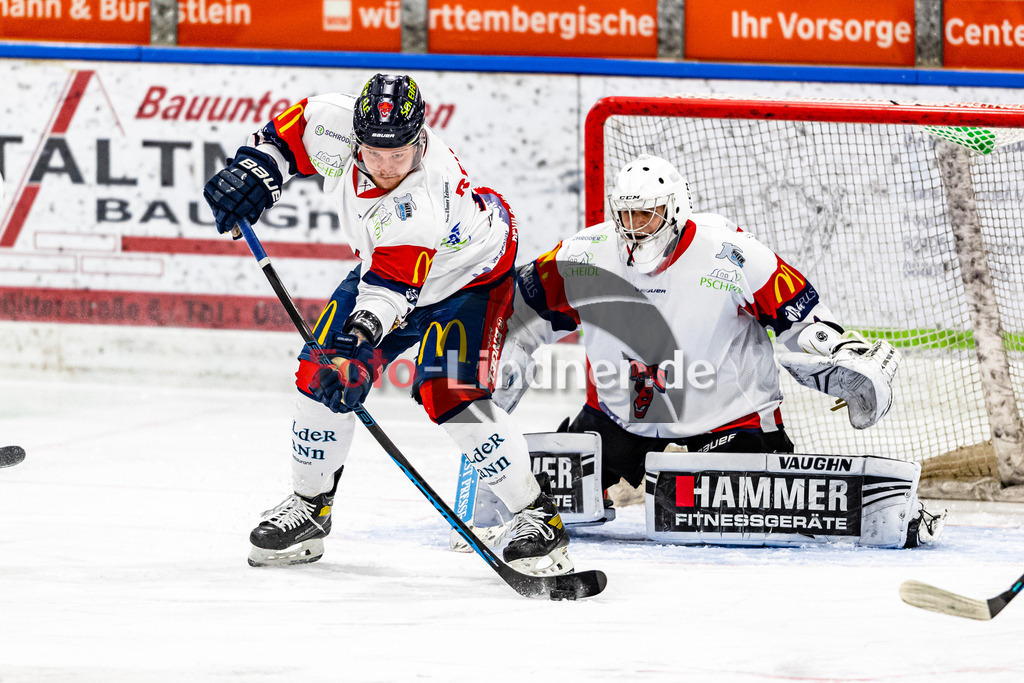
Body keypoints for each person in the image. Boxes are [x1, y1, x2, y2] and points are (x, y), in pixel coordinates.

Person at [202, 74, 573, 575]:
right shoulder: (333, 120)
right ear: (355, 135)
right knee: (318, 376)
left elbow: (389, 293)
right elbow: (283, 140)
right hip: (386, 270)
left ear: (421, 138)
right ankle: (310, 508)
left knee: (449, 392)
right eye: (374, 153)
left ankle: (537, 516)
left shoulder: (422, 199)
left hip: (468, 276)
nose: (385, 166)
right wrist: (251, 173)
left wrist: (358, 349)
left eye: (399, 153)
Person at [493, 153, 944, 547]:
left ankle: (898, 514)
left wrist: (840, 355)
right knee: (532, 499)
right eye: (625, 216)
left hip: (729, 419)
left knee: (760, 512)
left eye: (646, 215)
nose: (633, 230)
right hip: (619, 417)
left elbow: (801, 321)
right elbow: (516, 312)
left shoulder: (733, 254)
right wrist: (503, 353)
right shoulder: (584, 255)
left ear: (674, 211)